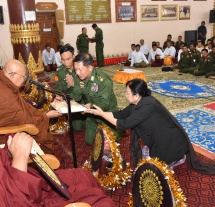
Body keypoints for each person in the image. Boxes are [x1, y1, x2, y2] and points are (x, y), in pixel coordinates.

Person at [85, 79, 215, 175]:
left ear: (136, 95)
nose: (125, 95)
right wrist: (97, 113)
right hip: (161, 140)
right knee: (145, 159)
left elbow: (124, 124)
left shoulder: (147, 105)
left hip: (170, 143)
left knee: (149, 169)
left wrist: (102, 114)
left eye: (127, 93)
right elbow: (119, 114)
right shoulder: (136, 104)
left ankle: (178, 157)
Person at [0, 132, 116, 206]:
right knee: (104, 203)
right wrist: (20, 157)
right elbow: (14, 201)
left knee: (83, 174)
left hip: (18, 176)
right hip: (19, 191)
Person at [0, 60, 61, 153]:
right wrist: (46, 116)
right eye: (23, 77)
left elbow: (21, 108)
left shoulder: (5, 82)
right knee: (41, 138)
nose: (24, 82)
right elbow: (23, 121)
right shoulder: (6, 95)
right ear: (13, 75)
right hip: (5, 137)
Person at [72, 52, 120, 145]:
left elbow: (104, 104)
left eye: (80, 69)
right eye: (75, 70)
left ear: (90, 67)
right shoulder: (78, 77)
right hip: (92, 116)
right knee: (90, 142)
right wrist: (65, 99)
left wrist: (91, 105)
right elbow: (76, 95)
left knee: (107, 143)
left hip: (107, 116)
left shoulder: (104, 81)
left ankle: (119, 130)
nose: (77, 73)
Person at [54, 44, 85, 131]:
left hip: (82, 100)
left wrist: (74, 84)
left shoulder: (81, 68)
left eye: (68, 59)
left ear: (74, 56)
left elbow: (86, 88)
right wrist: (67, 85)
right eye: (63, 59)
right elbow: (57, 88)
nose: (66, 62)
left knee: (77, 127)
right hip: (68, 101)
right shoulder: (60, 71)